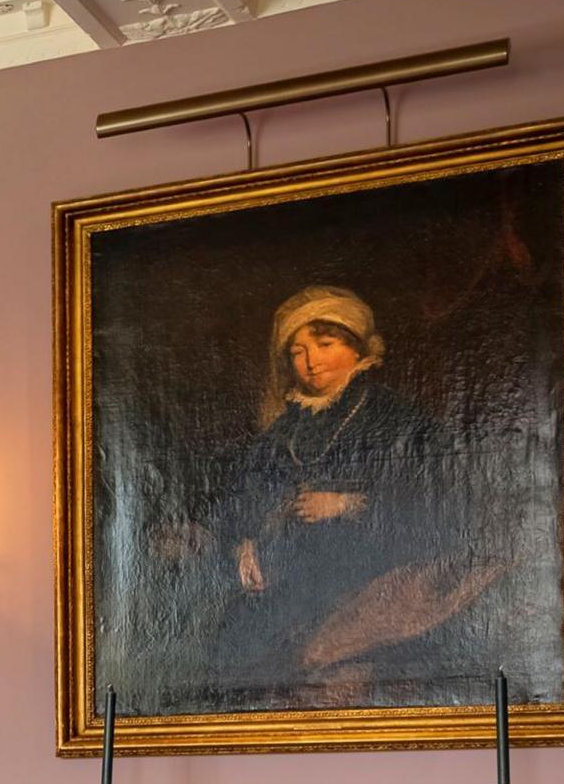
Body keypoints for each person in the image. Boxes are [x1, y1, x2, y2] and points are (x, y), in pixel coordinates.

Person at [202, 284, 486, 700]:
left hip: (368, 567)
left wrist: (348, 503)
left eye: (325, 344)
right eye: (297, 352)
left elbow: (436, 501)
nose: (311, 362)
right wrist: (244, 542)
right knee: (238, 649)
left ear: (358, 349)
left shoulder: (397, 418)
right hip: (291, 570)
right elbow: (247, 489)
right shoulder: (288, 426)